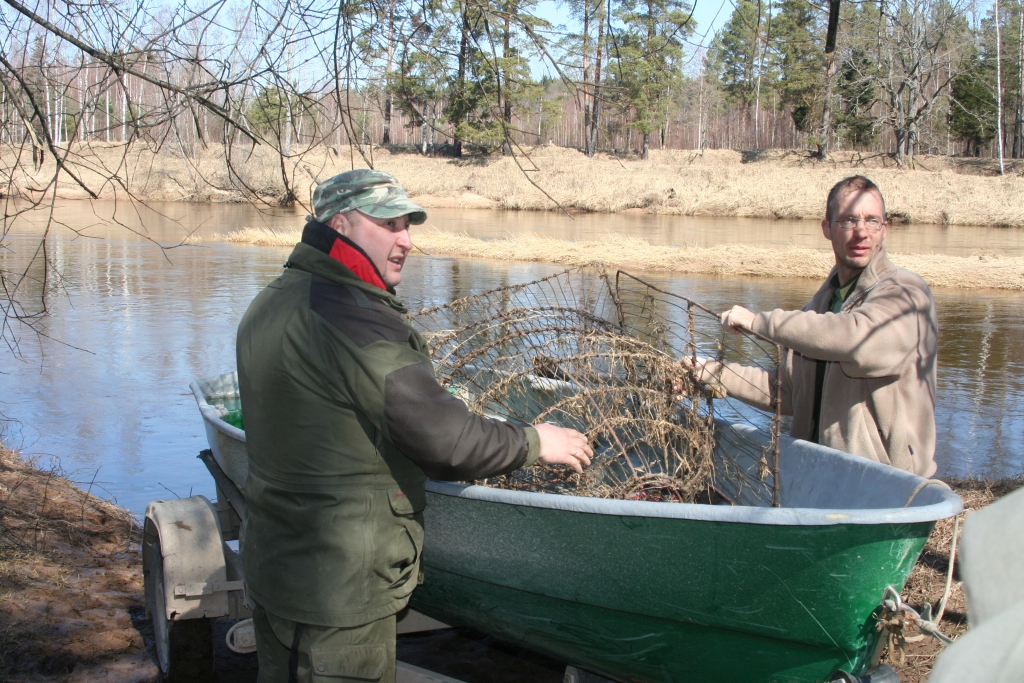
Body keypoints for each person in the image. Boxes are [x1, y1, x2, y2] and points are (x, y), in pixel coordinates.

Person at [235, 169, 593, 683]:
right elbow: (448, 441)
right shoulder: (353, 317)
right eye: (389, 223)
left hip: (278, 566)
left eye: (408, 225)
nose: (406, 239)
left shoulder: (272, 299)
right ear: (341, 224)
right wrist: (538, 441)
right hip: (341, 589)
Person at [690, 175, 938, 477]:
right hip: (819, 474)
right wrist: (709, 371)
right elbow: (787, 391)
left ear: (885, 230)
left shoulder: (906, 293)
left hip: (886, 482)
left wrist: (759, 322)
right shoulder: (823, 304)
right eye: (848, 220)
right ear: (827, 229)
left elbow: (855, 339)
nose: (861, 232)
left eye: (872, 221)